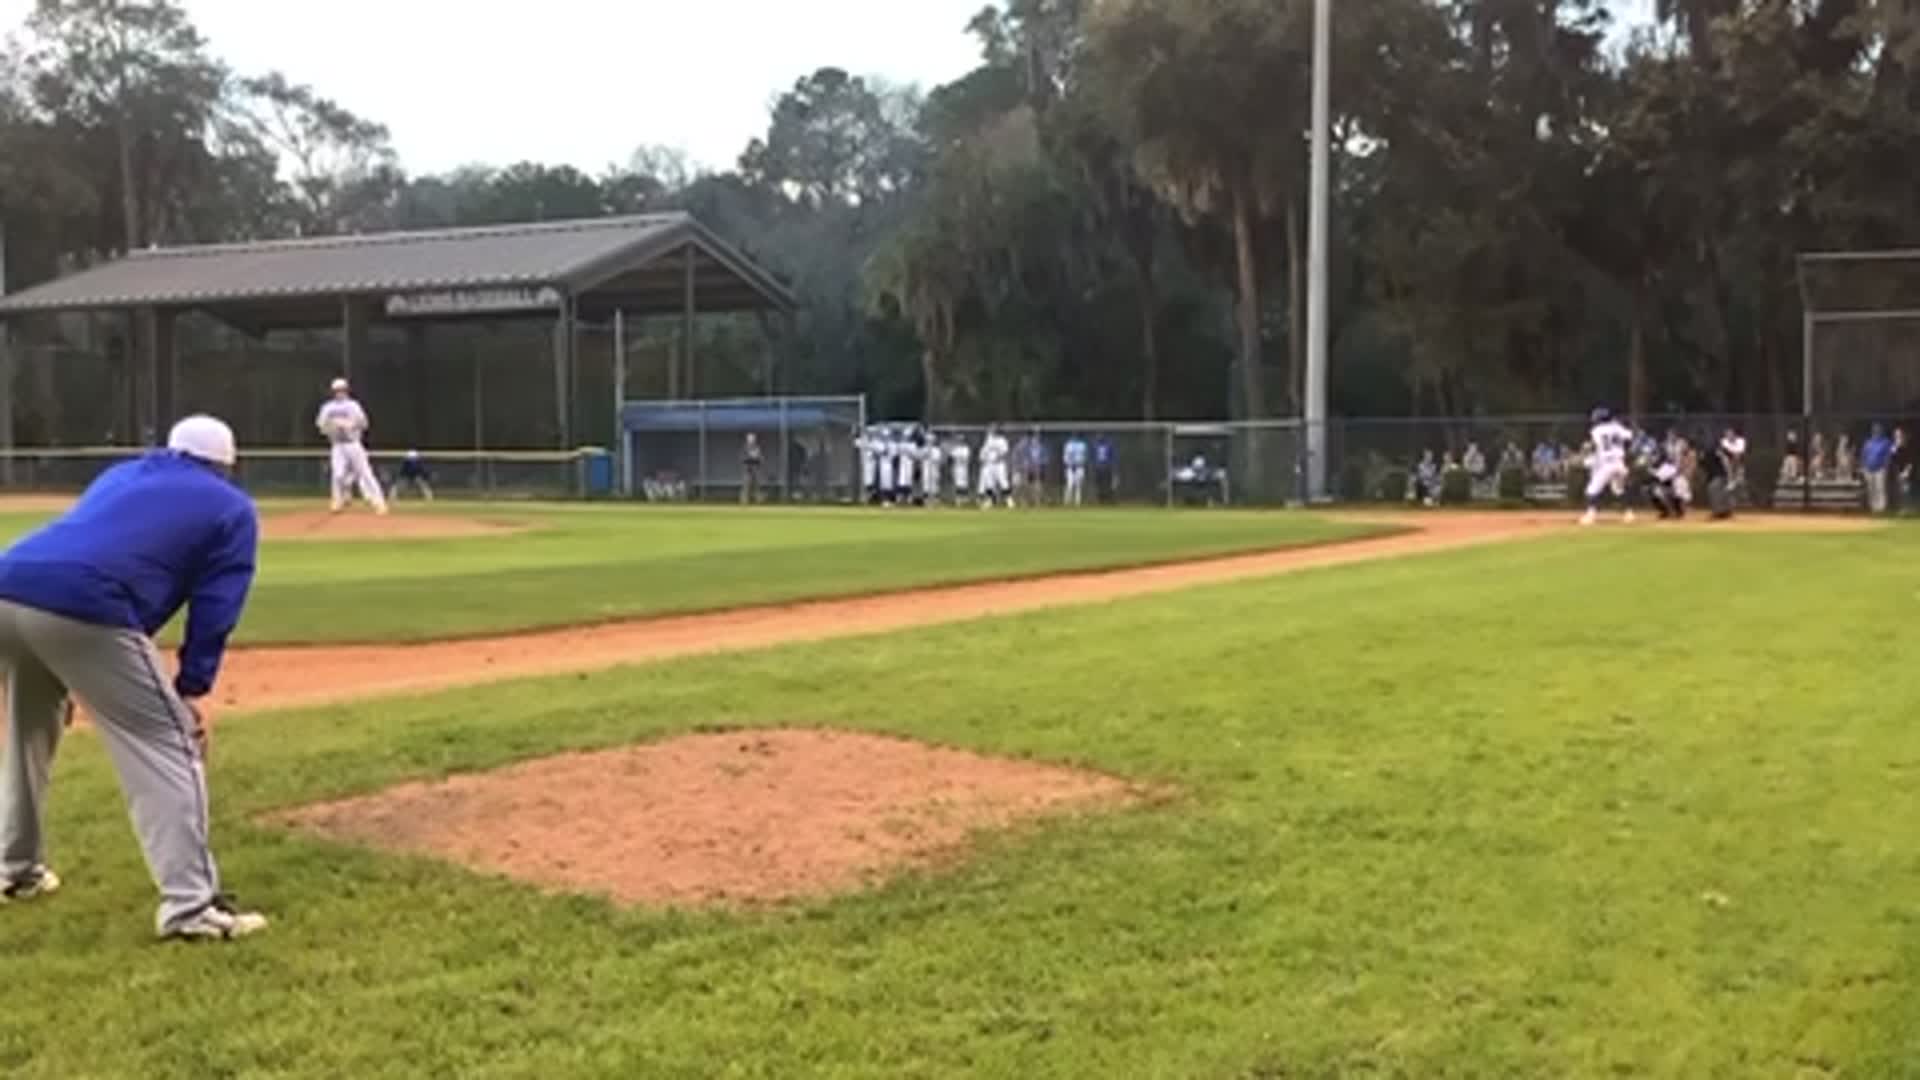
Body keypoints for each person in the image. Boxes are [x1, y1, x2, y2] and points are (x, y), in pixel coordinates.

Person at [0, 416, 267, 940]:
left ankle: (15, 870)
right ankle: (191, 909)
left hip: (8, 585)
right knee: (169, 740)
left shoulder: (123, 475)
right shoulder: (231, 506)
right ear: (227, 464)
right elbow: (216, 605)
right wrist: (191, 689)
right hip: (84, 602)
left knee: (29, 727)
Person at [315, 377, 387, 515]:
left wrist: (351, 426)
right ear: (333, 391)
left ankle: (378, 502)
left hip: (353, 444)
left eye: (342, 390)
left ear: (346, 390)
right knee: (338, 475)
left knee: (365, 473)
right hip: (337, 445)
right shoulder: (327, 407)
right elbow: (321, 425)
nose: (339, 393)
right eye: (337, 390)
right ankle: (338, 501)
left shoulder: (353, 406)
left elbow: (364, 423)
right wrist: (331, 428)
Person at [1581, 407, 1636, 526]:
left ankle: (1591, 515)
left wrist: (1590, 459)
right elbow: (1630, 437)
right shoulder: (1617, 427)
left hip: (1606, 464)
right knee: (1618, 489)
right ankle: (1629, 514)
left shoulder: (1596, 430)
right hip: (1620, 463)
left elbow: (1594, 446)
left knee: (1591, 490)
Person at [1862, 424, 1894, 513]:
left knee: (1880, 488)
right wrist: (1864, 468)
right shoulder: (1868, 442)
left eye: (1878, 430)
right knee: (1871, 488)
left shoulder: (1885, 442)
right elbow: (1864, 455)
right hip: (1869, 469)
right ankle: (1873, 507)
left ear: (1881, 431)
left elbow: (1888, 456)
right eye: (1875, 430)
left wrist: (1885, 467)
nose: (1876, 432)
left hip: (1880, 469)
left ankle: (1881, 507)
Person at [978, 425, 1011, 508]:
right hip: (989, 464)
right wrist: (983, 459)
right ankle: (990, 501)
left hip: (999, 464)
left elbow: (1005, 452)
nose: (992, 431)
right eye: (991, 430)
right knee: (989, 483)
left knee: (1003, 481)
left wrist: (998, 458)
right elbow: (984, 452)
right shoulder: (988, 440)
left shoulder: (1002, 440)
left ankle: (1009, 500)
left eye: (994, 429)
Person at [1062, 433, 1090, 507]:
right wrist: (1069, 464)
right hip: (1070, 467)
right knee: (1070, 484)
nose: (1075, 437)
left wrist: (1082, 463)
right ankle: (1067, 502)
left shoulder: (1082, 445)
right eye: (1074, 435)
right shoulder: (1068, 444)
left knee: (1078, 485)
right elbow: (1065, 457)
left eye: (1076, 435)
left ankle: (1077, 503)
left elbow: (1085, 456)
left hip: (1079, 466)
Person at [948, 434, 973, 504]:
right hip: (957, 467)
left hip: (964, 467)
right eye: (959, 440)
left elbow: (968, 459)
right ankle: (958, 498)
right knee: (958, 483)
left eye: (962, 440)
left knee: (964, 483)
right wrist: (951, 468)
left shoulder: (966, 449)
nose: (960, 441)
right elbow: (950, 459)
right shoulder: (955, 449)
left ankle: (964, 498)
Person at [740, 433, 764, 505]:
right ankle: (744, 501)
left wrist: (758, 459)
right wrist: (750, 458)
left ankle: (759, 501)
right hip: (747, 469)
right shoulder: (744, 448)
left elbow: (761, 458)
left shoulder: (757, 448)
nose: (752, 441)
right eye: (750, 439)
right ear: (747, 440)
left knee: (757, 486)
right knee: (746, 485)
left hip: (756, 469)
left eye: (753, 439)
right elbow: (742, 459)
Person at [1093, 435, 1116, 503]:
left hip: (1107, 467)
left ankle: (1110, 499)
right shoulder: (1095, 446)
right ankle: (1101, 499)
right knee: (1099, 484)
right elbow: (1093, 457)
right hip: (1098, 467)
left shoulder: (1109, 445)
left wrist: (1111, 465)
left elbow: (1112, 456)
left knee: (1108, 484)